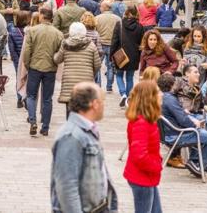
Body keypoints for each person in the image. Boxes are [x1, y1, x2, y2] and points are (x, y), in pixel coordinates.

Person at [51, 82, 118, 213]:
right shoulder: (71, 136)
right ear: (94, 104)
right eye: (102, 101)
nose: (104, 105)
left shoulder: (87, 130)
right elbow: (67, 187)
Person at [158, 73, 207, 177]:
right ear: (172, 84)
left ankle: (194, 162)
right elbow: (182, 120)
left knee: (205, 130)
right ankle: (197, 165)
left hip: (171, 132)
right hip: (176, 135)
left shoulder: (164, 97)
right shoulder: (170, 99)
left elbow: (180, 115)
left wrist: (187, 116)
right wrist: (195, 125)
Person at [124, 81, 163, 213]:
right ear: (150, 97)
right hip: (142, 177)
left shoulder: (146, 120)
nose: (161, 94)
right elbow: (139, 155)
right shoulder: (141, 123)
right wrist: (156, 165)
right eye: (158, 92)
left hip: (146, 176)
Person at [23, 8, 63, 136]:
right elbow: (60, 53)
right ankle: (45, 127)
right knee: (47, 99)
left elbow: (27, 51)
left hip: (35, 66)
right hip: (50, 68)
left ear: (42, 16)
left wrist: (27, 64)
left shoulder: (32, 31)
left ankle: (33, 120)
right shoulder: (58, 34)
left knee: (31, 95)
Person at [54, 22, 101, 118]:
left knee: (70, 109)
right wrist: (92, 73)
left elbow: (57, 59)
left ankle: (71, 129)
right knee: (84, 110)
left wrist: (54, 53)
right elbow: (97, 64)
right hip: (85, 82)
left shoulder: (65, 44)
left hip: (69, 82)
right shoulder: (91, 45)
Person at [110, 6, 144, 108]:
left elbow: (114, 41)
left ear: (126, 13)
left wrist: (111, 54)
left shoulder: (119, 24)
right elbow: (141, 43)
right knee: (130, 77)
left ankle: (123, 94)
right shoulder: (140, 26)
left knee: (119, 75)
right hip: (134, 55)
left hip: (121, 54)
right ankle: (128, 97)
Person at [95, 0, 120, 91]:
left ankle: (98, 85)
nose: (100, 8)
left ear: (105, 7)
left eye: (101, 6)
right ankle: (109, 86)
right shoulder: (117, 18)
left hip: (100, 44)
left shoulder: (97, 18)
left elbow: (95, 31)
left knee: (97, 65)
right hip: (113, 45)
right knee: (111, 66)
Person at [8, 10, 31, 108]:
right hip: (29, 59)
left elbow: (12, 50)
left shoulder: (12, 32)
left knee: (19, 78)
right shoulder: (30, 31)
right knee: (28, 78)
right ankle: (26, 97)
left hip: (18, 59)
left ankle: (19, 98)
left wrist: (16, 60)